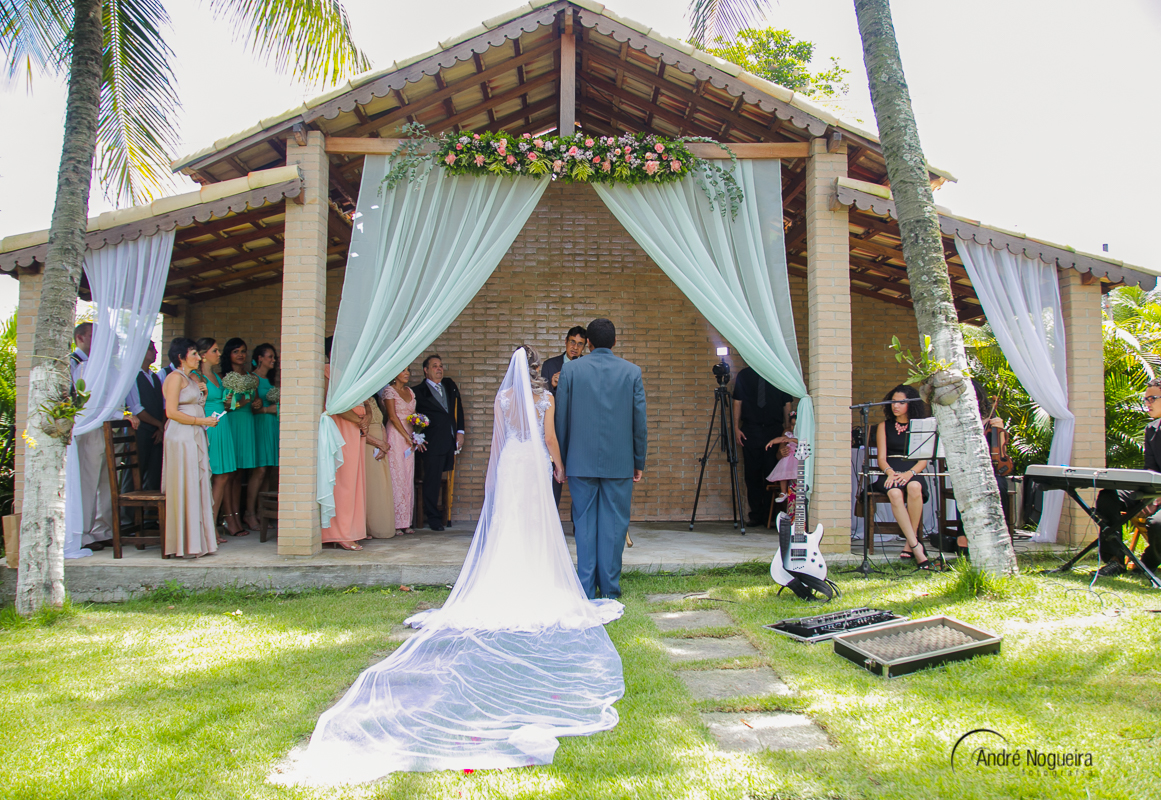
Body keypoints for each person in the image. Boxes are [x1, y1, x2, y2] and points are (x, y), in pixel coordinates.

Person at [286, 347, 623, 785]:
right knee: (536, 526)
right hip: (534, 464)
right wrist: (557, 464)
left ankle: (504, 581)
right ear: (538, 371)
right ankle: (535, 580)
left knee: (508, 527)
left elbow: (501, 440)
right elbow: (551, 438)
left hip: (511, 464)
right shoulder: (545, 401)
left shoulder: (503, 401)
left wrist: (497, 472)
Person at [555, 318, 648, 600]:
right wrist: (638, 460)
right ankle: (609, 588)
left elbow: (562, 419)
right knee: (615, 524)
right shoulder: (632, 372)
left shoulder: (571, 371)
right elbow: (639, 421)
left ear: (589, 344)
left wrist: (561, 460)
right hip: (619, 462)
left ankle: (585, 588)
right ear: (615, 342)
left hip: (580, 461)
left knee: (583, 524)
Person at [1095, 378, 1161, 577]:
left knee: (1158, 525)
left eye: (1152, 398)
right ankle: (1115, 560)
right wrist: (1150, 495)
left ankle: (1147, 564)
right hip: (1155, 490)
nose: (1147, 403)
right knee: (1108, 496)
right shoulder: (1151, 430)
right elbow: (1150, 469)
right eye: (1145, 399)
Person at [161, 338, 219, 558]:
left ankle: (199, 541)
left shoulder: (191, 378)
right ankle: (183, 542)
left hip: (194, 434)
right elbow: (172, 412)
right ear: (180, 357)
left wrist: (202, 394)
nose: (199, 357)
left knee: (197, 482)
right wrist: (200, 422)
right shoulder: (175, 377)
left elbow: (194, 405)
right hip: (181, 437)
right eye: (194, 353)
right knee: (185, 484)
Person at [871, 384, 932, 570]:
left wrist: (909, 473)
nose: (895, 406)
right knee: (895, 493)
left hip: (912, 469)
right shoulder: (883, 426)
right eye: (893, 402)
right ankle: (916, 546)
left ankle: (909, 543)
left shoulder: (921, 426)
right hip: (890, 470)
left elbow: (924, 459)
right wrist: (890, 472)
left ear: (911, 404)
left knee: (915, 487)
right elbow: (881, 458)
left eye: (901, 402)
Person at [732, 366, 795, 526]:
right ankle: (755, 515)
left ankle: (771, 515)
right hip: (750, 429)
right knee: (752, 474)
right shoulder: (744, 375)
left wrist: (786, 432)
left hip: (774, 429)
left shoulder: (778, 373)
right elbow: (737, 402)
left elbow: (786, 404)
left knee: (772, 472)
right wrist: (736, 427)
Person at [322, 336, 368, 550]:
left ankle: (352, 528)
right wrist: (358, 420)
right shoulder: (327, 371)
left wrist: (365, 419)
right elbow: (332, 404)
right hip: (341, 428)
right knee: (343, 481)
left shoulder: (349, 373)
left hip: (354, 429)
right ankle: (338, 532)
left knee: (354, 481)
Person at [192, 338, 241, 538]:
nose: (219, 354)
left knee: (224, 476)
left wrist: (229, 401)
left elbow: (228, 406)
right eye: (215, 350)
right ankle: (205, 528)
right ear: (203, 355)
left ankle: (212, 525)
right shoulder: (196, 377)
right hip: (209, 427)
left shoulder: (218, 378)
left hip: (224, 426)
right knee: (210, 476)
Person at [412, 354, 465, 531]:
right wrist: (416, 437)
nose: (439, 369)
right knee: (432, 480)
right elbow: (412, 418)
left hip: (448, 441)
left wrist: (460, 431)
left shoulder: (449, 385)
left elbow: (458, 408)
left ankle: (443, 515)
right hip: (431, 442)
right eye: (435, 366)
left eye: (441, 365)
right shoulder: (418, 391)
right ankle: (433, 517)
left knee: (445, 478)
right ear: (426, 370)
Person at [541, 326, 587, 506]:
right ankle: (551, 525)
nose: (575, 347)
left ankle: (580, 528)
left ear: (585, 347)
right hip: (555, 429)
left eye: (580, 344)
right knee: (553, 477)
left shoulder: (587, 367)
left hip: (579, 431)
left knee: (580, 481)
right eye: (572, 342)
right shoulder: (550, 365)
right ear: (565, 342)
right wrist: (552, 386)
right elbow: (541, 399)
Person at [221, 338, 263, 533]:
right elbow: (224, 406)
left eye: (243, 351)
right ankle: (228, 518)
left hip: (247, 423)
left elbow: (254, 402)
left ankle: (238, 517)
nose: (240, 354)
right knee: (229, 474)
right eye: (236, 351)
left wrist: (256, 404)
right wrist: (243, 402)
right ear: (228, 354)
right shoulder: (223, 377)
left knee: (240, 474)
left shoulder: (250, 377)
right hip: (231, 423)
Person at [124, 341, 165, 493]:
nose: (155, 352)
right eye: (150, 349)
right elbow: (136, 408)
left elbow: (162, 406)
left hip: (156, 432)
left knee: (154, 473)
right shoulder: (133, 376)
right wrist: (159, 425)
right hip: (140, 431)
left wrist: (161, 427)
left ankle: (149, 515)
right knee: (135, 473)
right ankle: (128, 516)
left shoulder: (155, 377)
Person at [382, 367, 418, 536]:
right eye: (403, 370)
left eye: (408, 370)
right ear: (394, 373)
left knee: (407, 475)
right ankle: (396, 522)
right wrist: (405, 436)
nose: (407, 373)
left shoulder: (410, 391)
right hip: (396, 435)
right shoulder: (389, 392)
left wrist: (417, 431)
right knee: (396, 474)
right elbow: (392, 416)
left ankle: (406, 521)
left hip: (409, 436)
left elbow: (413, 415)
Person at [251, 343, 280, 514]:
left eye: (274, 357)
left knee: (269, 470)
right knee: (260, 469)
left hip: (271, 426)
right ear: (259, 358)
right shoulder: (253, 379)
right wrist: (269, 409)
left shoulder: (269, 381)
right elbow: (253, 407)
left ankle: (261, 511)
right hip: (260, 426)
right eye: (270, 356)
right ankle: (250, 512)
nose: (273, 360)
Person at [363, 390, 395, 540]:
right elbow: (359, 430)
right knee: (371, 486)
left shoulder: (373, 399)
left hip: (380, 446)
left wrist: (384, 444)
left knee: (382, 486)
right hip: (367, 446)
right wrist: (378, 443)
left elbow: (381, 424)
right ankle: (369, 528)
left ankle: (382, 526)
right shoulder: (357, 401)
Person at [764, 412, 799, 504]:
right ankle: (783, 492)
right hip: (788, 460)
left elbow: (801, 442)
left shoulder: (804, 434)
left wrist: (791, 440)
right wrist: (772, 441)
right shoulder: (788, 433)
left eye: (796, 425)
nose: (793, 428)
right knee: (782, 470)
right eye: (792, 425)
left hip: (798, 463)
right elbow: (781, 439)